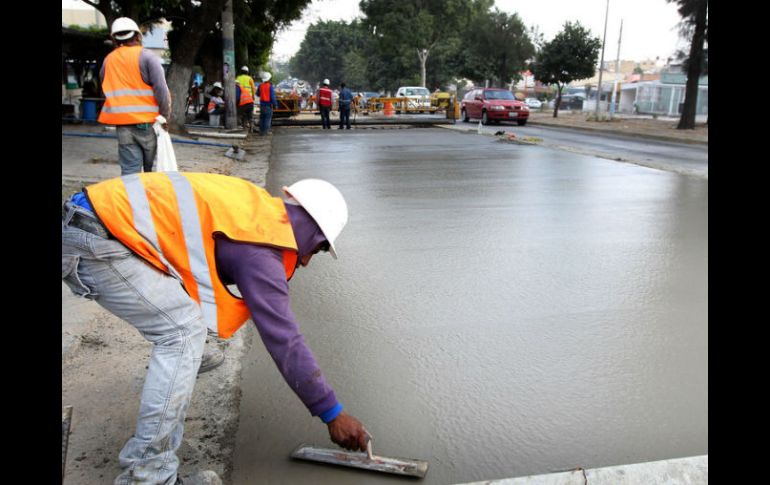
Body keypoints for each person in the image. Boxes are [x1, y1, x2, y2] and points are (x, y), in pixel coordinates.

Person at [62, 173, 371, 485]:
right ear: (310, 229)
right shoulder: (260, 249)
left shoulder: (254, 208)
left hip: (97, 222)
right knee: (182, 334)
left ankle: (182, 377)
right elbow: (285, 339)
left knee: (186, 328)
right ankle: (147, 476)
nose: (305, 261)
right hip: (96, 240)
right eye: (316, 249)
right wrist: (332, 412)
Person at [98, 17, 171, 175]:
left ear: (114, 38)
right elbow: (162, 90)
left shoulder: (108, 61)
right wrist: (164, 116)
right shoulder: (148, 57)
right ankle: (150, 198)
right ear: (138, 36)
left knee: (130, 174)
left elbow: (105, 88)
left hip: (123, 127)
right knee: (153, 173)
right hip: (148, 126)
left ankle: (134, 200)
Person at [235, 66, 256, 130]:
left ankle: (243, 125)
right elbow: (253, 88)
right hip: (249, 97)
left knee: (241, 112)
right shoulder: (250, 78)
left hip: (240, 97)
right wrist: (253, 96)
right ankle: (250, 125)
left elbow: (236, 86)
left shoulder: (238, 78)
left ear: (241, 71)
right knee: (249, 113)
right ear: (247, 72)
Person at [257, 72, 277, 136]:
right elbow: (272, 97)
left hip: (262, 105)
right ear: (269, 79)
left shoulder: (260, 86)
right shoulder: (270, 86)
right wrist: (275, 104)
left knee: (262, 118)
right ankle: (265, 132)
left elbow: (257, 94)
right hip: (268, 105)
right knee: (267, 119)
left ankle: (261, 132)